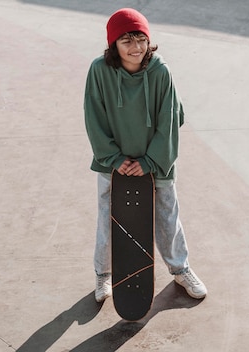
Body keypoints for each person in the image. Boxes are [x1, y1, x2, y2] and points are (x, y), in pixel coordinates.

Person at [84, 8, 206, 303]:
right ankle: (104, 274)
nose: (135, 48)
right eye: (126, 41)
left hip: (157, 161)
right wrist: (113, 158)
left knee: (166, 214)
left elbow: (171, 118)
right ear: (114, 44)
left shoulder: (160, 71)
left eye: (141, 39)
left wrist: (151, 161)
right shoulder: (100, 70)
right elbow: (94, 116)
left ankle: (180, 269)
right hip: (115, 162)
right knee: (108, 216)